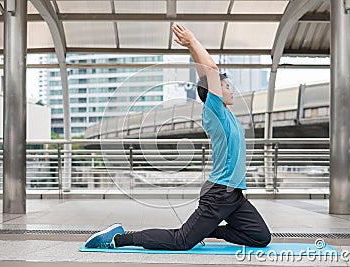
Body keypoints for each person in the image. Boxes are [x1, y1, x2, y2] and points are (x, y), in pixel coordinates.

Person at [84, 24, 271, 250]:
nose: (231, 90)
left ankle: (206, 229)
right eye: (226, 86)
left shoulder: (226, 113)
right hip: (219, 192)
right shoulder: (215, 112)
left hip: (235, 195)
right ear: (215, 92)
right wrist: (192, 40)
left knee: (260, 237)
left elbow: (205, 73)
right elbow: (210, 70)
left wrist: (191, 49)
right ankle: (120, 238)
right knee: (181, 241)